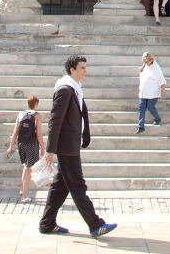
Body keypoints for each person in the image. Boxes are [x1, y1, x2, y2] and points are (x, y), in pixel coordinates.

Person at [38, 55, 116, 238]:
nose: (85, 71)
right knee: (77, 185)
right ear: (72, 69)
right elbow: (55, 121)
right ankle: (95, 224)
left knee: (61, 186)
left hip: (71, 143)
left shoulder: (75, 89)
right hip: (66, 146)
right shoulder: (65, 89)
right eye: (82, 68)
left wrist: (84, 136)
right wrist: (50, 149)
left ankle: (47, 223)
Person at [6, 94, 44, 201]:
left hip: (21, 143)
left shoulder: (20, 114)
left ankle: (22, 191)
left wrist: (10, 147)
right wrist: (43, 147)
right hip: (32, 144)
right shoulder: (37, 115)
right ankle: (24, 196)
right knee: (29, 170)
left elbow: (15, 132)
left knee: (25, 167)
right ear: (36, 104)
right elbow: (39, 134)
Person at [136, 52, 166, 132]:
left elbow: (162, 81)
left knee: (150, 107)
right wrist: (141, 67)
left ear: (151, 60)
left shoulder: (156, 68)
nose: (145, 63)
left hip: (153, 93)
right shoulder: (145, 64)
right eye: (144, 61)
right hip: (143, 92)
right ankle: (141, 127)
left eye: (146, 62)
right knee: (141, 108)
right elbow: (143, 66)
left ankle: (157, 118)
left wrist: (162, 92)